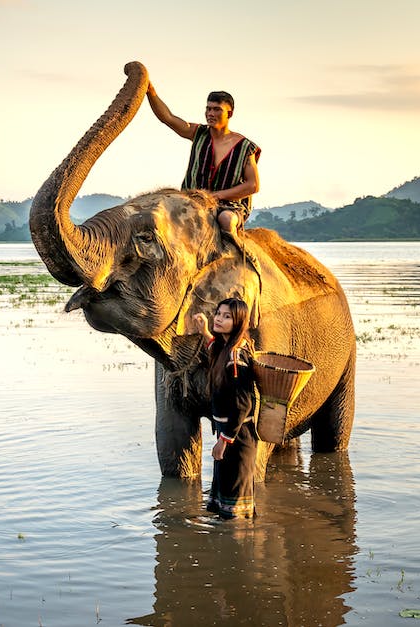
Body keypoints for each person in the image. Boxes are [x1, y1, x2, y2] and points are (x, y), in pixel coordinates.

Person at [146, 82, 261, 246]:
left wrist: (217, 196)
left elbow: (253, 185)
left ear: (230, 113)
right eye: (208, 109)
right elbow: (168, 118)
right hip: (192, 201)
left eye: (216, 109)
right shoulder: (198, 133)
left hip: (228, 206)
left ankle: (233, 256)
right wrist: (150, 92)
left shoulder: (245, 147)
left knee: (226, 220)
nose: (210, 113)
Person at [190, 297, 259, 519]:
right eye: (218, 314)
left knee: (235, 509)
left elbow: (242, 404)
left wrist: (223, 442)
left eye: (227, 317)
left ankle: (239, 548)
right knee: (226, 503)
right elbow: (218, 351)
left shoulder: (236, 358)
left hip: (237, 438)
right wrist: (205, 332)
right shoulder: (229, 348)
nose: (219, 319)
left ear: (238, 322)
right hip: (230, 434)